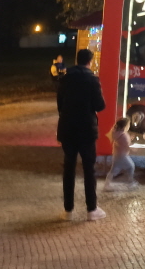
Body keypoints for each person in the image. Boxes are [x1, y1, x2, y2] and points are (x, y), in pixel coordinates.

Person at [56, 48, 106, 220]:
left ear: (77, 60)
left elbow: (60, 105)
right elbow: (100, 105)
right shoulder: (92, 80)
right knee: (88, 170)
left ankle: (67, 210)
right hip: (86, 130)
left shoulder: (65, 79)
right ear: (90, 62)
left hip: (67, 129)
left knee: (68, 169)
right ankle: (92, 209)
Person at [105, 116, 138, 190]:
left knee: (113, 170)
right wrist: (134, 148)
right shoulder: (123, 135)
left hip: (116, 154)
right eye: (129, 124)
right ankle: (130, 182)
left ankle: (107, 185)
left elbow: (121, 142)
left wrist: (129, 138)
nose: (129, 126)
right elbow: (126, 144)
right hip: (122, 155)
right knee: (131, 166)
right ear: (125, 125)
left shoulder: (117, 132)